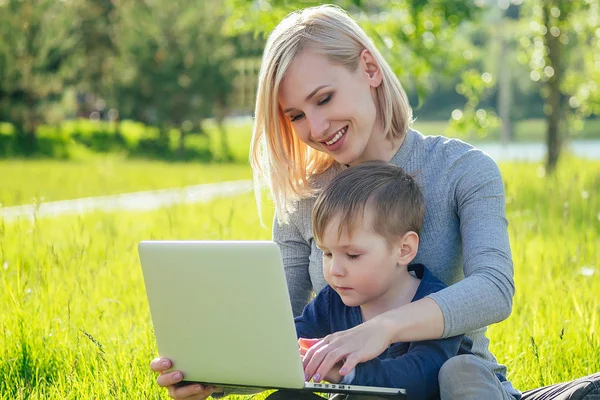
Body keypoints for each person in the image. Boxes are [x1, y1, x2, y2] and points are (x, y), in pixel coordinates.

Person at [150, 4, 600, 400]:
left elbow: (494, 289)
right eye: (297, 116)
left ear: (369, 68)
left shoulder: (463, 169)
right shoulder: (303, 199)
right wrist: (214, 377)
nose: (318, 126)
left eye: (324, 98)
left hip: (458, 385)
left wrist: (382, 329)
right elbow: (282, 336)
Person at [267, 160, 472, 400]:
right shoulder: (332, 300)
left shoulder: (435, 307)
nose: (335, 270)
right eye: (328, 253)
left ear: (404, 249)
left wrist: (347, 373)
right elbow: (291, 339)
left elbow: (420, 379)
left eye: (353, 255)